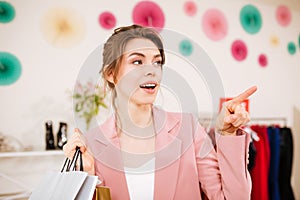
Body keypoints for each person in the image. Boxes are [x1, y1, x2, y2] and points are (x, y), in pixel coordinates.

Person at [63, 24, 257, 200]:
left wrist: (228, 133)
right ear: (111, 74)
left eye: (157, 62)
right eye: (137, 62)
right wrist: (86, 175)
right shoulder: (92, 145)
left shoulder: (188, 129)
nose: (152, 71)